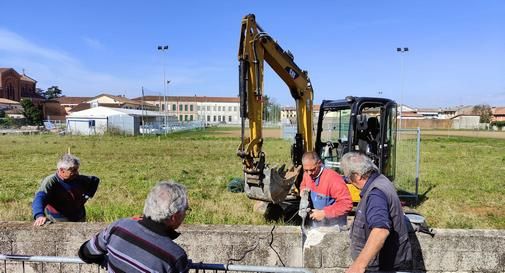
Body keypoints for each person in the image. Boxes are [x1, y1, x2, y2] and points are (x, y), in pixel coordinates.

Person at [78, 181, 191, 273]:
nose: (186, 214)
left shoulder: (119, 227)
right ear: (174, 217)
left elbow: (85, 252)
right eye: (186, 210)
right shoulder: (175, 256)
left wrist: (105, 262)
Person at [341, 152, 412, 273]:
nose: (348, 180)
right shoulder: (381, 180)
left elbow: (380, 231)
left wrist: (358, 266)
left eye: (348, 177)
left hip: (382, 267)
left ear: (357, 176)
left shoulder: (375, 194)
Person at [32, 154, 100, 226]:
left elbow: (95, 180)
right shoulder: (51, 181)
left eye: (77, 169)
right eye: (73, 170)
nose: (77, 172)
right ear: (62, 170)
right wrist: (39, 215)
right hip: (57, 221)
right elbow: (39, 197)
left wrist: (87, 195)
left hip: (79, 219)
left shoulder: (78, 178)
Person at [299, 151, 353, 228]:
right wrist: (303, 190)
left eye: (312, 169)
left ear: (319, 163)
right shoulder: (307, 174)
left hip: (334, 226)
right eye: (306, 170)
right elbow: (303, 184)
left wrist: (324, 213)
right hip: (316, 223)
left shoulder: (333, 179)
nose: (309, 173)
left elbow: (347, 204)